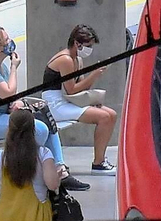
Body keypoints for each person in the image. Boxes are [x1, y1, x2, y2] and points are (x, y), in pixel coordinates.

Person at [0, 27, 89, 192]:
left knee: (46, 119)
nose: (11, 42)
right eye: (7, 39)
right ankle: (41, 172)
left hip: (0, 114)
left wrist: (16, 102)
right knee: (39, 129)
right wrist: (14, 68)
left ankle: (61, 171)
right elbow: (8, 92)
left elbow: (8, 96)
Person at [44, 24, 119, 173]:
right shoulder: (65, 59)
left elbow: (81, 88)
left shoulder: (77, 60)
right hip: (56, 104)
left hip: (68, 100)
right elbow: (71, 89)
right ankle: (99, 163)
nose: (89, 49)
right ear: (77, 43)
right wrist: (94, 75)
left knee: (111, 114)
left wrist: (92, 98)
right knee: (104, 117)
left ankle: (101, 160)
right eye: (88, 46)